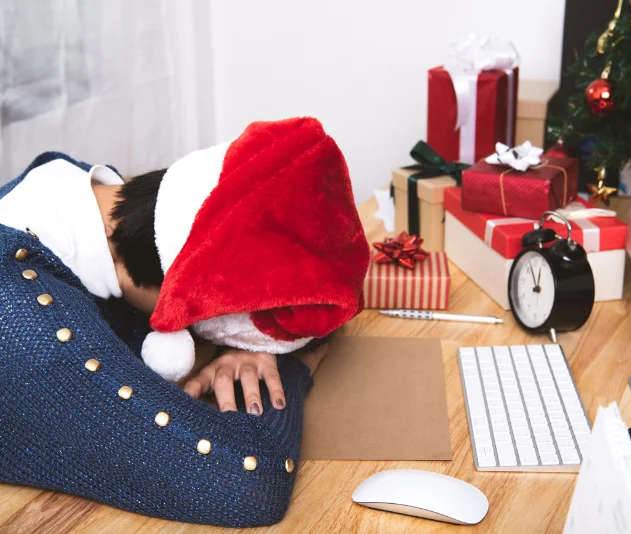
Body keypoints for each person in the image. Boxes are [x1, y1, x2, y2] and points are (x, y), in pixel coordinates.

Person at [0, 118, 369, 527]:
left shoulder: (78, 193)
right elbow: (247, 485)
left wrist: (246, 348)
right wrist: (287, 365)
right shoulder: (29, 323)